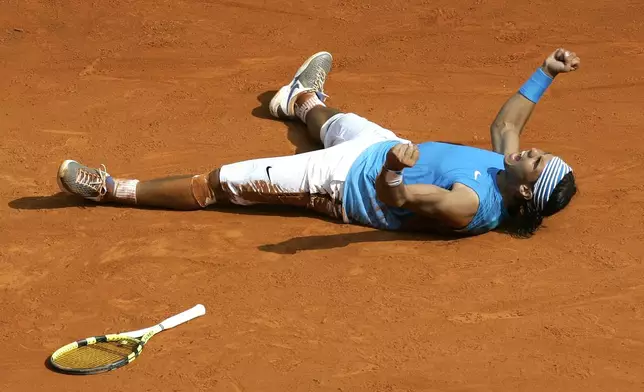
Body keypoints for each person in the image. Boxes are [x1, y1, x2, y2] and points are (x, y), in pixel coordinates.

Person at [56, 48, 580, 237]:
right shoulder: (505, 166)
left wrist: (394, 171)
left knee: (220, 183)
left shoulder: (471, 204)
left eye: (536, 162)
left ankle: (111, 189)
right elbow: (508, 126)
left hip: (340, 183)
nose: (530, 151)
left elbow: (399, 199)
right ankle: (299, 97)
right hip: (380, 147)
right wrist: (545, 73)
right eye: (539, 151)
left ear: (527, 193)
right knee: (331, 119)